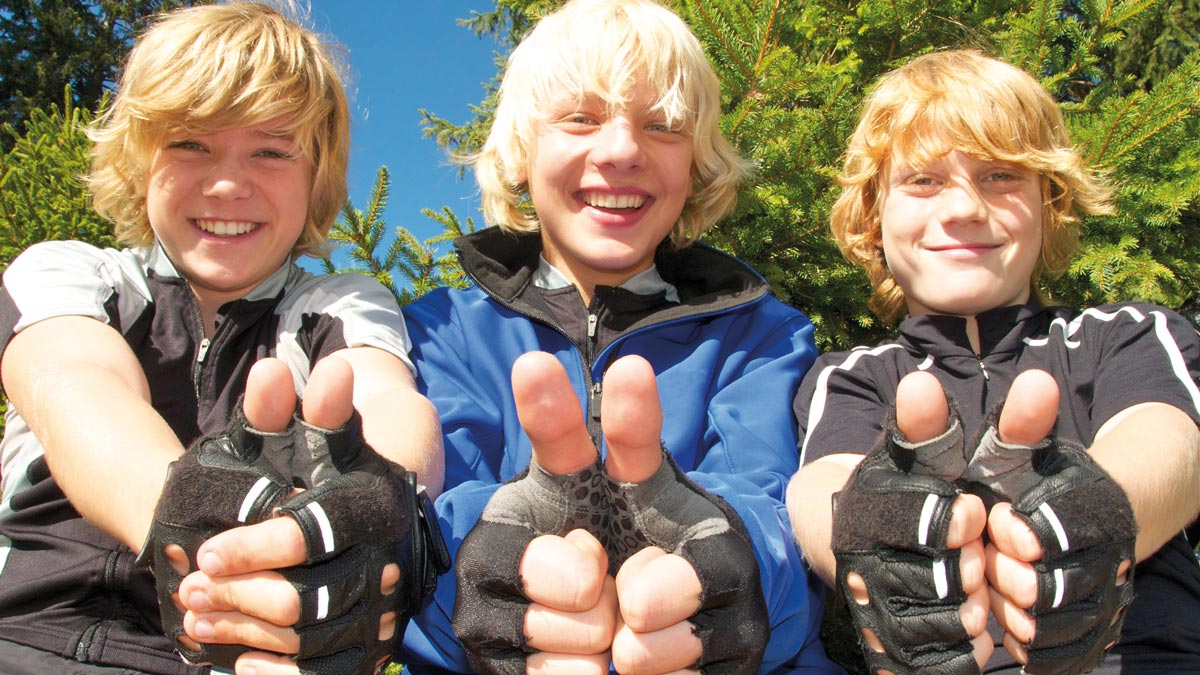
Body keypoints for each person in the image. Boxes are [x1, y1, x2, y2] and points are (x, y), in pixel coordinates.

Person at [174, 1, 844, 673]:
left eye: (662, 126)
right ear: (522, 153)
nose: (620, 150)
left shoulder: (764, 335)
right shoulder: (439, 330)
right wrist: (492, 582)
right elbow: (418, 515)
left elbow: (778, 507)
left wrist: (723, 578)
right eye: (580, 119)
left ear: (697, 162)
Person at [0, 3, 444, 674]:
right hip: (24, 633)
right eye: (189, 144)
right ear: (139, 159)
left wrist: (379, 506)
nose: (229, 182)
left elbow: (383, 395)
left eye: (269, 151)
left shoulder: (339, 305)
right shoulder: (68, 273)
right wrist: (189, 515)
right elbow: (73, 381)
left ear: (316, 175)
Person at [787, 48, 1200, 675]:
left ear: (1049, 203)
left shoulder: (1124, 334)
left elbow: (1171, 441)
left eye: (1000, 176)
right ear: (874, 217)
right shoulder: (853, 377)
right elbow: (822, 486)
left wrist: (1089, 516)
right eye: (922, 180)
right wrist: (873, 532)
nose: (962, 208)